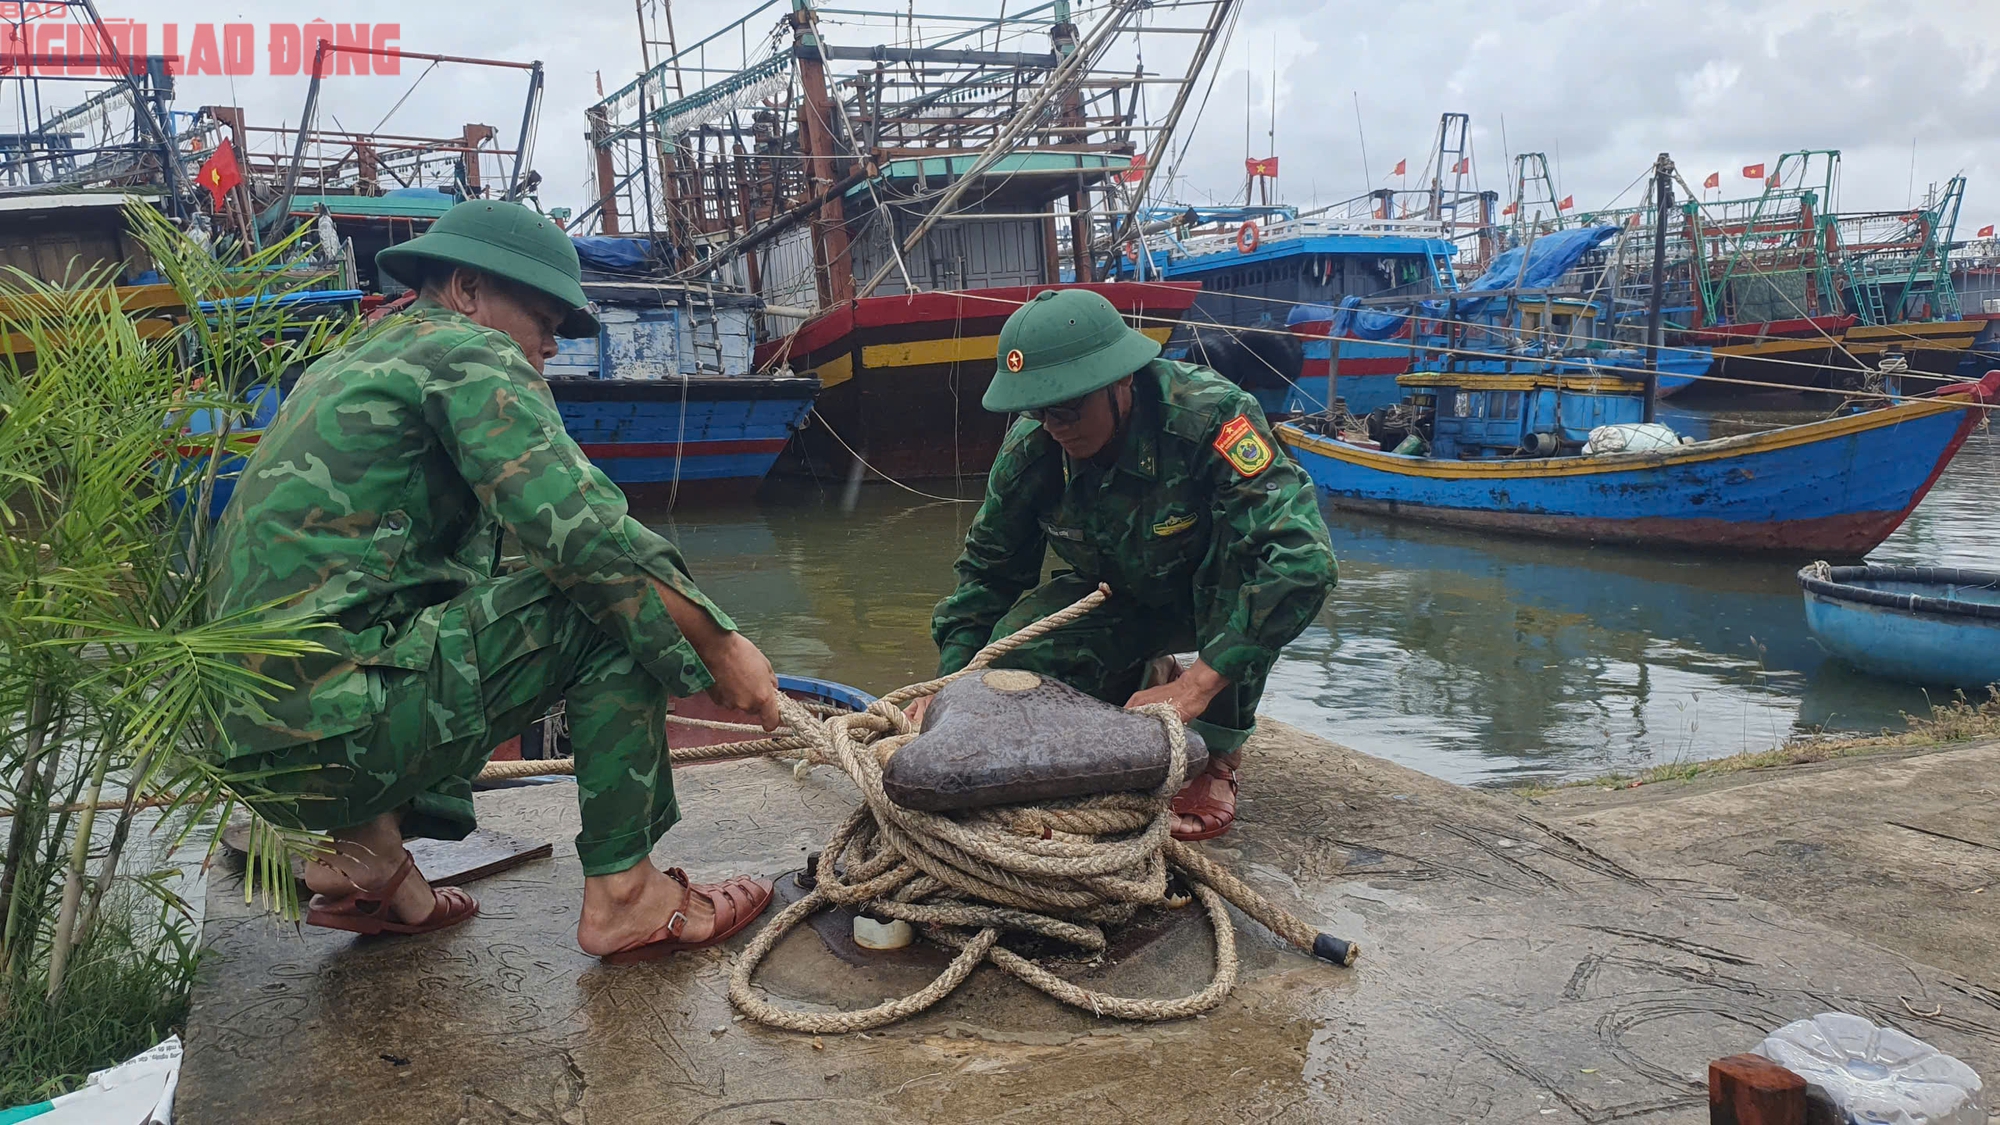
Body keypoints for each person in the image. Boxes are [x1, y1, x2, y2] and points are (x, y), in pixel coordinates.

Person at [208, 200, 777, 961]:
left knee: (421, 605)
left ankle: (361, 859)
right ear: (468, 290)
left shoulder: (355, 359)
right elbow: (589, 539)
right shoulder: (465, 351)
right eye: (543, 319)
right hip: (331, 733)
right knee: (607, 602)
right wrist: (722, 644)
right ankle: (628, 897)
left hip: (250, 745)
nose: (548, 346)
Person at [925, 289, 1335, 839]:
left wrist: (1198, 688)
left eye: (1069, 408)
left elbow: (1302, 562)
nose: (1055, 426)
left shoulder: (1209, 416)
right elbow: (988, 572)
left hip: (1214, 594)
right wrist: (947, 689)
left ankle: (1215, 758)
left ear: (1121, 382)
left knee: (1241, 570)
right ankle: (1143, 675)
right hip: (1117, 592)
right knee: (1007, 671)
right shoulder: (1035, 449)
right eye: (1040, 410)